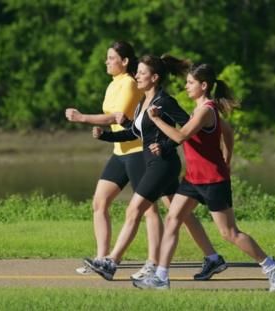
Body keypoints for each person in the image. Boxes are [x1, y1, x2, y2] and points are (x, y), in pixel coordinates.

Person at [133, 63, 275, 291]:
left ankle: (272, 265)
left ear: (203, 86)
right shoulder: (199, 110)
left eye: (191, 83)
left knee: (229, 233)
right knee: (172, 219)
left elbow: (182, 135)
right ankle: (161, 277)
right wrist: (228, 156)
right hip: (193, 179)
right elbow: (227, 131)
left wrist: (156, 119)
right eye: (187, 82)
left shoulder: (206, 110)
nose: (186, 86)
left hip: (213, 180)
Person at [84, 55, 227, 281]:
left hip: (163, 165)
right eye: (137, 72)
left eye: (141, 72)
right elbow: (135, 132)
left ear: (155, 77)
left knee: (134, 210)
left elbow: (187, 129)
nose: (137, 75)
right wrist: (106, 136)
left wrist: (166, 145)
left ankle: (111, 262)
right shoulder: (144, 101)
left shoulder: (165, 101)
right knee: (183, 214)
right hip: (156, 163)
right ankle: (213, 258)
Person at [65, 41, 164, 280]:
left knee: (149, 209)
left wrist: (82, 118)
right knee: (99, 203)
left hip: (137, 152)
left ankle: (153, 262)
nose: (107, 61)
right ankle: (101, 258)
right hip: (120, 152)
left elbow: (115, 116)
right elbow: (113, 118)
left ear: (125, 61)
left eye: (111, 58)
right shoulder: (113, 85)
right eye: (107, 58)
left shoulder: (130, 83)